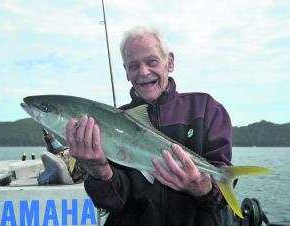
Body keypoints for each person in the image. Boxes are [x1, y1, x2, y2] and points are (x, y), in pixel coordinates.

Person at [66, 27, 232, 226]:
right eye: (134, 65)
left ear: (169, 62)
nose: (143, 72)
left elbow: (219, 200)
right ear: (126, 71)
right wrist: (98, 170)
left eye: (152, 61)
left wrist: (202, 186)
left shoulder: (205, 109)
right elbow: (113, 203)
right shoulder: (111, 124)